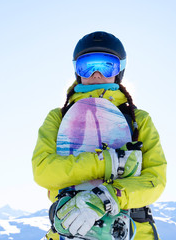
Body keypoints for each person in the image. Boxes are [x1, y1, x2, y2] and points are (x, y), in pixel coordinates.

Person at [32, 31, 167, 240]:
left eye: (106, 65)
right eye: (87, 65)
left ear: (119, 70)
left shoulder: (138, 120)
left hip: (133, 230)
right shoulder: (58, 118)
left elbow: (155, 180)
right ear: (77, 71)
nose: (96, 73)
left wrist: (109, 196)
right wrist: (107, 163)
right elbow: (43, 171)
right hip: (69, 228)